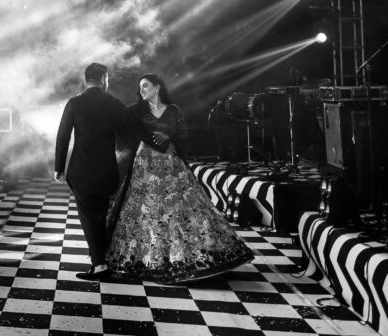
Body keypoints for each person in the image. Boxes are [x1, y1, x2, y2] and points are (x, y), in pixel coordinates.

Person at [105, 73, 254, 284]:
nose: (142, 90)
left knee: (180, 211)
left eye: (146, 86)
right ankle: (149, 259)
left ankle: (184, 258)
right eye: (140, 87)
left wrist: (170, 137)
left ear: (158, 88)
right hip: (144, 168)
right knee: (147, 213)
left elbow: (184, 136)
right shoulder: (135, 112)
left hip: (171, 167)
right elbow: (122, 133)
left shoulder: (173, 110)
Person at [55, 63, 136, 281]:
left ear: (87, 79)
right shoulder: (114, 103)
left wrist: (58, 168)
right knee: (101, 216)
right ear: (104, 79)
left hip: (81, 172)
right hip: (108, 172)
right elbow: (127, 133)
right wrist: (123, 153)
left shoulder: (74, 103)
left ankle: (99, 265)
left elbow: (63, 137)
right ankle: (104, 260)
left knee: (90, 218)